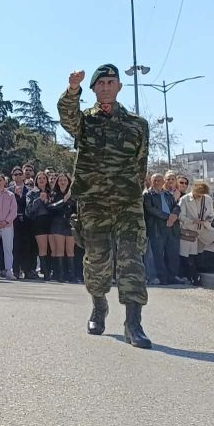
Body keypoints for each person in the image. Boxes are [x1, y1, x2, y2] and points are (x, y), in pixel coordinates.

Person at [58, 65, 151, 348]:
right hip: (93, 203)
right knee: (97, 261)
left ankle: (133, 323)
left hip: (127, 204)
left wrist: (131, 191)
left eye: (111, 82)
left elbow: (140, 162)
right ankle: (99, 305)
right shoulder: (85, 122)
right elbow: (67, 118)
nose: (106, 87)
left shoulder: (137, 124)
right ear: (94, 89)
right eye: (101, 84)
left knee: (131, 259)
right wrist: (72, 89)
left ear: (119, 87)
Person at [143, 172, 183, 286]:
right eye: (154, 180)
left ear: (163, 182)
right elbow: (151, 209)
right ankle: (162, 277)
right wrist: (168, 217)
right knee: (158, 254)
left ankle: (172, 276)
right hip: (157, 228)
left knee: (172, 253)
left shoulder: (167, 194)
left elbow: (176, 206)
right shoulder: (147, 195)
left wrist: (174, 215)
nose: (157, 182)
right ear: (151, 181)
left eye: (159, 180)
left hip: (172, 227)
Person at [178, 179, 214, 286]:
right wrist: (192, 221)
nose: (199, 197)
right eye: (198, 195)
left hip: (204, 228)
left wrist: (207, 220)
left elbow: (211, 214)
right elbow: (181, 216)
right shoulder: (185, 199)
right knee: (190, 256)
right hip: (189, 231)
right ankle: (194, 278)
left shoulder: (207, 199)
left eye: (201, 195)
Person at [46, 173, 77, 283]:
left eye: (65, 180)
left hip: (69, 224)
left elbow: (76, 208)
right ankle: (59, 275)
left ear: (68, 182)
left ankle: (71, 275)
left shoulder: (73, 194)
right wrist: (63, 200)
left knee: (70, 250)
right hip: (57, 223)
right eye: (60, 180)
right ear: (57, 182)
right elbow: (50, 207)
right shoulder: (53, 194)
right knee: (59, 250)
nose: (63, 182)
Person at [26, 172, 54, 279]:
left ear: (47, 180)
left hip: (50, 221)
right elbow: (29, 210)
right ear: (36, 180)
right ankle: (46, 272)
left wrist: (47, 201)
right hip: (38, 221)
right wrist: (39, 200)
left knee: (51, 248)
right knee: (42, 247)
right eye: (39, 178)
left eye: (44, 178)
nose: (42, 180)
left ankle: (52, 270)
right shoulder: (31, 193)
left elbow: (55, 208)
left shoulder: (51, 192)